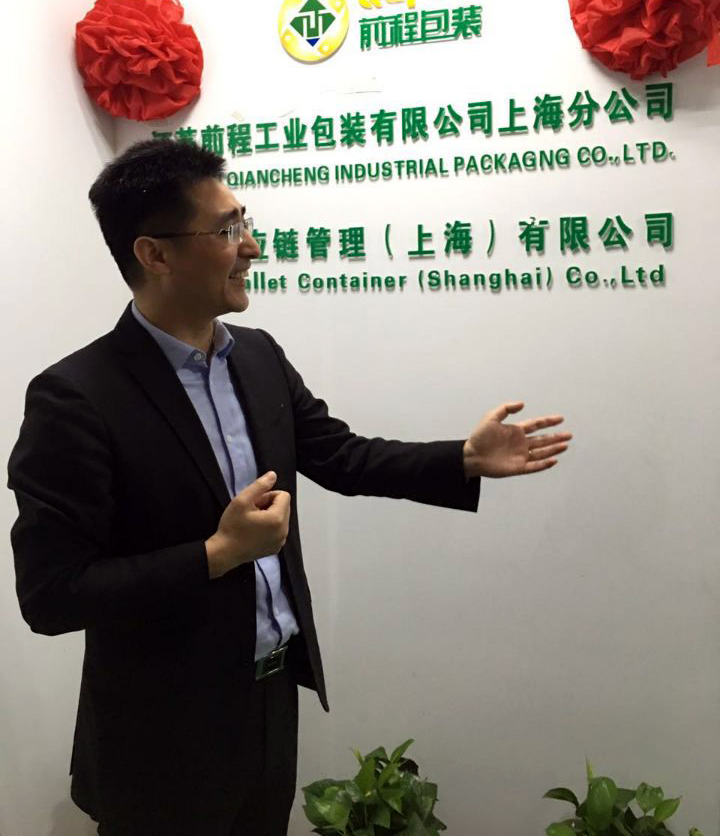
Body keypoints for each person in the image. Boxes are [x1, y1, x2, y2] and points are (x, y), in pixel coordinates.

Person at [8, 139, 572, 836]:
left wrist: (462, 458)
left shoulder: (258, 357)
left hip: (269, 701)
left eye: (244, 222)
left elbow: (342, 456)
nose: (251, 247)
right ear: (154, 255)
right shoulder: (78, 396)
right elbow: (52, 594)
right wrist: (216, 554)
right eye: (227, 231)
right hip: (159, 734)